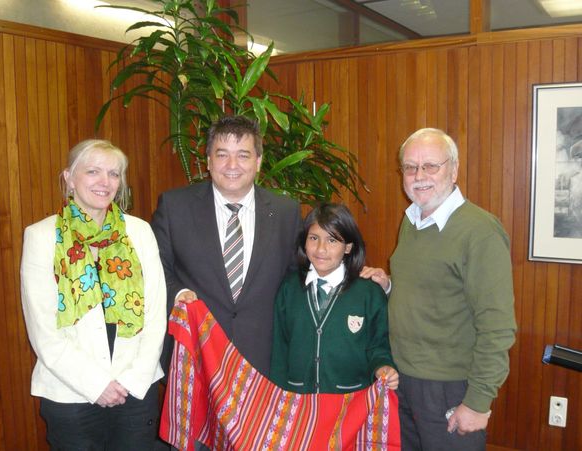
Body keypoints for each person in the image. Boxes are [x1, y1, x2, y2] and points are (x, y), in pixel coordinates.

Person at [374, 128, 517, 450]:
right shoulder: (411, 221)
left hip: (450, 388)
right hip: (402, 380)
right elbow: (433, 291)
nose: (419, 176)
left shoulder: (480, 231)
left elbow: (497, 325)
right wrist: (389, 287)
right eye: (410, 167)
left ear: (453, 170)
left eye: (430, 166)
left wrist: (478, 402)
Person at [20, 139, 167, 450]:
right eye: (93, 172)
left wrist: (131, 378)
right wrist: (96, 384)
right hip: (69, 394)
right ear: (69, 178)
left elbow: (155, 315)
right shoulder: (42, 237)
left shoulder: (139, 232)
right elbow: (43, 330)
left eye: (114, 174)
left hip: (136, 389)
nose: (105, 182)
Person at [151, 115, 302, 377]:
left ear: (258, 162)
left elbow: (298, 275)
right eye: (222, 155)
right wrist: (178, 295)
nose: (232, 165)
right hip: (196, 355)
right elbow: (156, 268)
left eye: (243, 155)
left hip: (263, 358)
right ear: (208, 161)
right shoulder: (175, 207)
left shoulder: (285, 212)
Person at [270, 203, 398, 394]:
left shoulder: (368, 292)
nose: (321, 249)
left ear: (348, 247)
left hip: (349, 402)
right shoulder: (289, 288)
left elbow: (378, 346)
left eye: (332, 241)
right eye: (314, 238)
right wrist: (277, 396)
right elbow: (279, 351)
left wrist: (382, 367)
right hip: (298, 399)